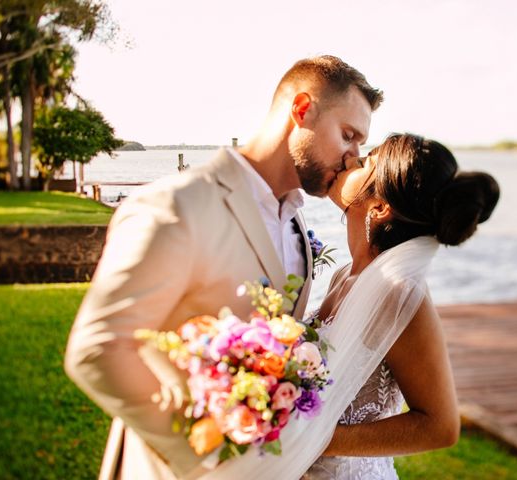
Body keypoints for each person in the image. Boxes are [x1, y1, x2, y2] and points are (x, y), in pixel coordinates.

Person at [64, 55, 383, 480]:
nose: (352, 160)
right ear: (302, 109)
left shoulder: (296, 220)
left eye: (360, 145)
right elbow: (98, 347)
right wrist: (208, 454)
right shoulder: (178, 206)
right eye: (348, 136)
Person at [194, 133, 499, 479]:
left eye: (366, 161)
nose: (351, 160)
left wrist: (314, 440)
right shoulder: (344, 275)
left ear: (380, 208)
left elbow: (440, 426)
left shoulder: (399, 294)